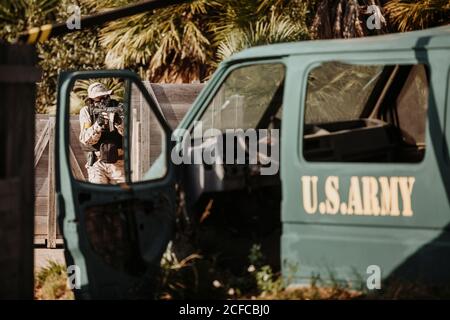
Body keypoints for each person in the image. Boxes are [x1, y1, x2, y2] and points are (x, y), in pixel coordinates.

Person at [79, 82, 125, 184]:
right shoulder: (87, 111)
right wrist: (98, 124)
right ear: (91, 100)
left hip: (119, 163)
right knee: (97, 194)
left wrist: (118, 122)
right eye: (98, 98)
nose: (103, 101)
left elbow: (131, 135)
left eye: (104, 97)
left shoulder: (119, 108)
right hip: (97, 162)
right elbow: (85, 140)